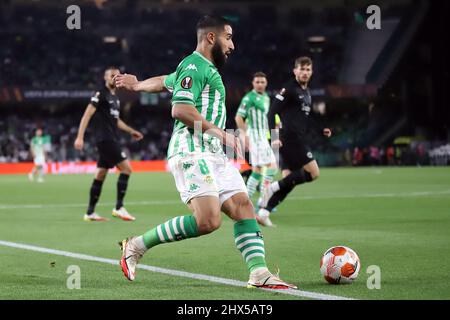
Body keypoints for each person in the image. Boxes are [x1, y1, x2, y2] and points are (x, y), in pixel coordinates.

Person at [114, 15, 296, 289]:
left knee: (243, 207)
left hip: (213, 153)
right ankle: (136, 246)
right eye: (229, 37)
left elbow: (166, 80)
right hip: (191, 149)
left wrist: (138, 84)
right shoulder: (194, 65)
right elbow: (181, 110)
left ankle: (259, 273)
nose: (232, 45)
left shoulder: (197, 68)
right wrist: (224, 135)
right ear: (212, 37)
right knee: (208, 220)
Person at [257, 56, 332, 227]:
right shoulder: (289, 89)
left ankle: (263, 212)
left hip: (296, 138)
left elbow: (306, 118)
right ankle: (272, 187)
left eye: (308, 69)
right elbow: (271, 113)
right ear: (295, 70)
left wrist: (321, 130)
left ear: (311, 72)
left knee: (289, 181)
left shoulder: (306, 92)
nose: (305, 72)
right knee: (313, 173)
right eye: (302, 69)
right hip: (290, 139)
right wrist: (274, 138)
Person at [74, 66, 144, 222]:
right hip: (105, 139)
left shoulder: (115, 98)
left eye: (117, 75)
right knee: (127, 169)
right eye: (112, 75)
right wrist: (80, 137)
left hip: (111, 137)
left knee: (100, 174)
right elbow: (87, 115)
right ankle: (119, 208)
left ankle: (90, 212)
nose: (115, 77)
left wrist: (131, 131)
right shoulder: (101, 94)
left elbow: (116, 120)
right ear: (105, 77)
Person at [235, 72, 278, 200]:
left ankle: (246, 201)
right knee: (272, 167)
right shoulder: (249, 98)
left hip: (263, 136)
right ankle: (264, 199)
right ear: (253, 83)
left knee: (257, 170)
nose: (260, 84)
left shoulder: (266, 97)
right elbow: (238, 117)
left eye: (262, 82)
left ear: (266, 83)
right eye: (257, 82)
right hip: (255, 135)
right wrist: (244, 135)